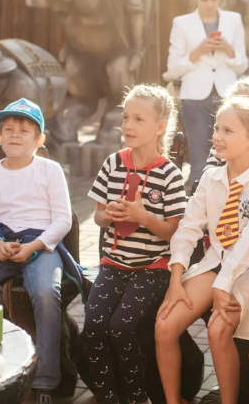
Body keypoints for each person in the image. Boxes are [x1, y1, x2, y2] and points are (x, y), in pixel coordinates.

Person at [155, 97, 249, 404]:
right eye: (216, 128)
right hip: (217, 264)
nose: (217, 137)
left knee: (217, 329)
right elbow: (188, 229)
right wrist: (176, 280)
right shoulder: (211, 178)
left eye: (228, 130)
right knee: (164, 325)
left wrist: (222, 287)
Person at [0, 98, 73, 402]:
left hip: (41, 244)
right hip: (3, 243)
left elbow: (63, 220)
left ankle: (46, 380)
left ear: (39, 140)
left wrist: (34, 245)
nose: (15, 134)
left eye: (24, 130)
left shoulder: (50, 170)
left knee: (46, 292)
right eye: (8, 129)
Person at [85, 85, 187, 404]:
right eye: (126, 117)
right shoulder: (113, 163)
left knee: (121, 326)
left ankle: (138, 397)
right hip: (114, 264)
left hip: (152, 269)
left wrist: (144, 217)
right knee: (93, 325)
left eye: (138, 119)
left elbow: (175, 233)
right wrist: (110, 215)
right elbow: (98, 217)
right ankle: (108, 397)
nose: (128, 126)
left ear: (160, 127)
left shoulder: (169, 175)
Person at [166, 0, 248, 186]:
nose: (209, 4)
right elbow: (173, 68)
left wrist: (228, 50)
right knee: (199, 160)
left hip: (226, 96)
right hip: (194, 98)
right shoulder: (182, 23)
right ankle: (195, 208)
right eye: (204, 0)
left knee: (228, 157)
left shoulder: (233, 20)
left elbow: (242, 64)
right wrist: (198, 51)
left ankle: (225, 207)